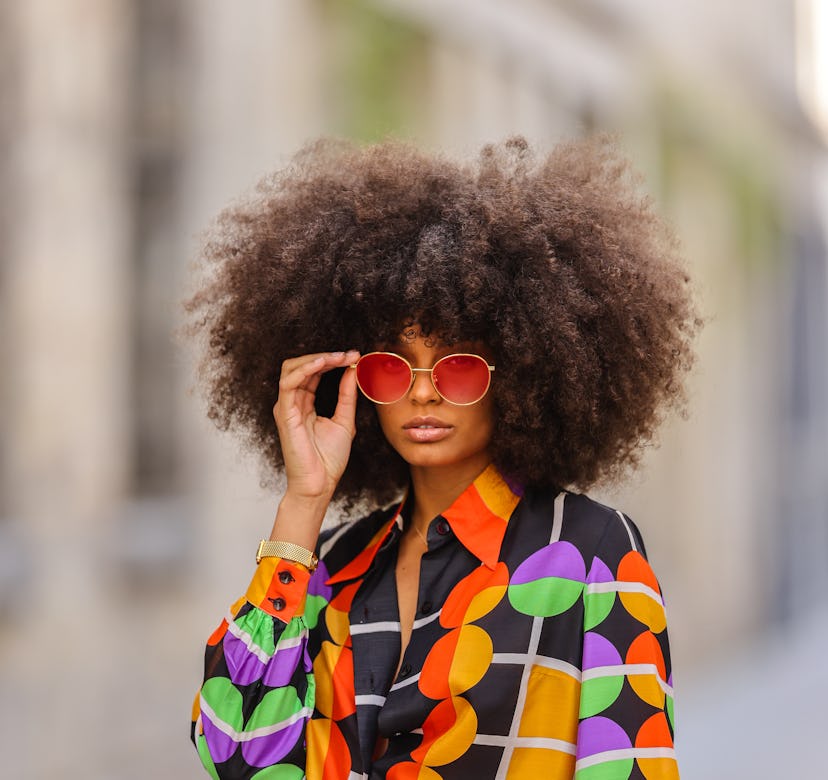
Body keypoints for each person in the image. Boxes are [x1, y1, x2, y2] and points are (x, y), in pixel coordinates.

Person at [187, 136, 698, 779]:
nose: (423, 392)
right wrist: (304, 501)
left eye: (457, 367)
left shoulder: (589, 552)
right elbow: (235, 756)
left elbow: (629, 763)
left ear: (520, 374)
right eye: (392, 367)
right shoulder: (332, 564)